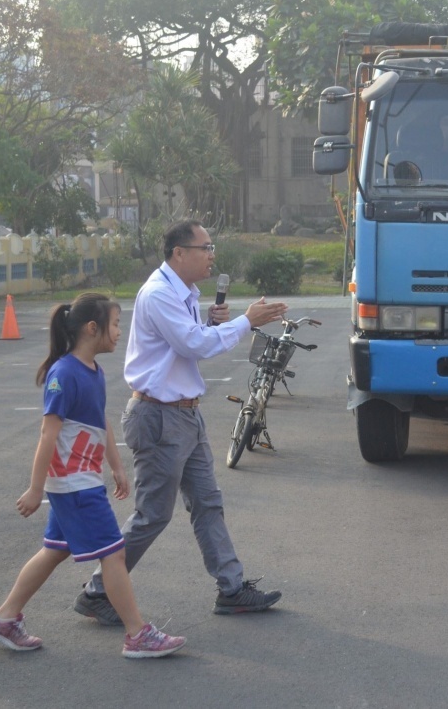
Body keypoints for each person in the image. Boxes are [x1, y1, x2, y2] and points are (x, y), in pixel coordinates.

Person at [73, 220, 288, 625]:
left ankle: (232, 588)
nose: (212, 255)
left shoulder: (181, 292)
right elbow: (192, 345)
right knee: (153, 514)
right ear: (179, 253)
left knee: (208, 502)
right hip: (159, 416)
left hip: (184, 414)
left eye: (211, 248)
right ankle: (98, 591)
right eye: (205, 248)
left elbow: (185, 344)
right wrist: (245, 322)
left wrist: (214, 323)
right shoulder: (158, 293)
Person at [0, 293, 185, 658]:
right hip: (74, 484)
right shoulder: (64, 373)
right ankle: (137, 634)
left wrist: (117, 465)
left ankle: (4, 618)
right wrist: (34, 488)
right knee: (114, 555)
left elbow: (99, 419)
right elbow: (48, 434)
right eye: (116, 324)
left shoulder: (93, 370)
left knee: (54, 550)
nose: (120, 332)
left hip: (83, 479)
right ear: (93, 328)